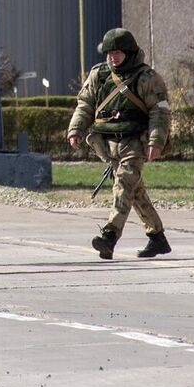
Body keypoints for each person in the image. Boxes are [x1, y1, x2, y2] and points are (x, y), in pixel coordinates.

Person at [67, 28, 172, 259]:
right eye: (110, 52)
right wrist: (75, 129)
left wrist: (156, 141)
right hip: (108, 146)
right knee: (135, 193)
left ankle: (109, 236)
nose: (113, 57)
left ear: (129, 52)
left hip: (135, 143)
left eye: (118, 52)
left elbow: (160, 112)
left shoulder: (147, 78)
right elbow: (85, 105)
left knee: (123, 187)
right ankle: (157, 238)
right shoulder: (99, 75)